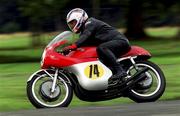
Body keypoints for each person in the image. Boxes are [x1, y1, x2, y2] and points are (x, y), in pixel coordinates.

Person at [63, 8, 131, 83]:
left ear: (80, 18)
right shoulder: (84, 31)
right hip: (112, 45)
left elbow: (85, 36)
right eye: (70, 24)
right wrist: (69, 52)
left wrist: (73, 46)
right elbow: (82, 45)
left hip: (121, 41)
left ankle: (120, 71)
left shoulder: (90, 23)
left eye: (73, 22)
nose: (72, 25)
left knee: (102, 47)